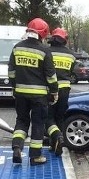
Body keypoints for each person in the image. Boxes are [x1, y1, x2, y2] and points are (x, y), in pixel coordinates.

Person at [8, 17, 58, 165]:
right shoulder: (44, 51)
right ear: (43, 34)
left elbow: (11, 72)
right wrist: (54, 92)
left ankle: (17, 147)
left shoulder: (17, 48)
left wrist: (14, 87)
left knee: (22, 121)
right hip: (39, 96)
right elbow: (51, 76)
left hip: (20, 94)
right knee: (38, 124)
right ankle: (35, 157)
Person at [45, 28, 77, 156]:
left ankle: (56, 138)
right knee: (60, 117)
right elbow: (70, 72)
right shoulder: (71, 55)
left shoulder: (47, 52)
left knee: (48, 117)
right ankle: (56, 145)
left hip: (50, 90)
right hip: (65, 89)